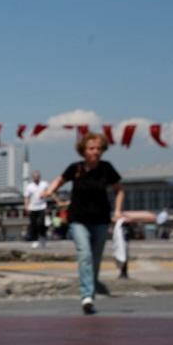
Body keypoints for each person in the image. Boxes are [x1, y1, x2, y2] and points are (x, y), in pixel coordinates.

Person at [42, 132, 124, 315]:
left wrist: (118, 211)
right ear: (83, 150)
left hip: (101, 220)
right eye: (91, 148)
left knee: (94, 260)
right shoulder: (76, 168)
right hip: (78, 219)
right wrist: (50, 190)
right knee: (85, 255)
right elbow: (60, 180)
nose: (95, 152)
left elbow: (119, 190)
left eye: (98, 149)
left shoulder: (106, 168)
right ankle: (86, 295)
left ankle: (90, 293)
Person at [23, 170, 49, 246]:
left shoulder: (44, 184)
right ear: (32, 178)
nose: (36, 178)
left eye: (37, 177)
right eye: (34, 177)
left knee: (41, 223)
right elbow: (26, 197)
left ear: (39, 177)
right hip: (32, 208)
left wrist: (45, 194)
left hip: (42, 207)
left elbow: (50, 191)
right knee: (33, 225)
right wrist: (26, 206)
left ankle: (43, 238)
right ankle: (35, 240)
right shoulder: (29, 186)